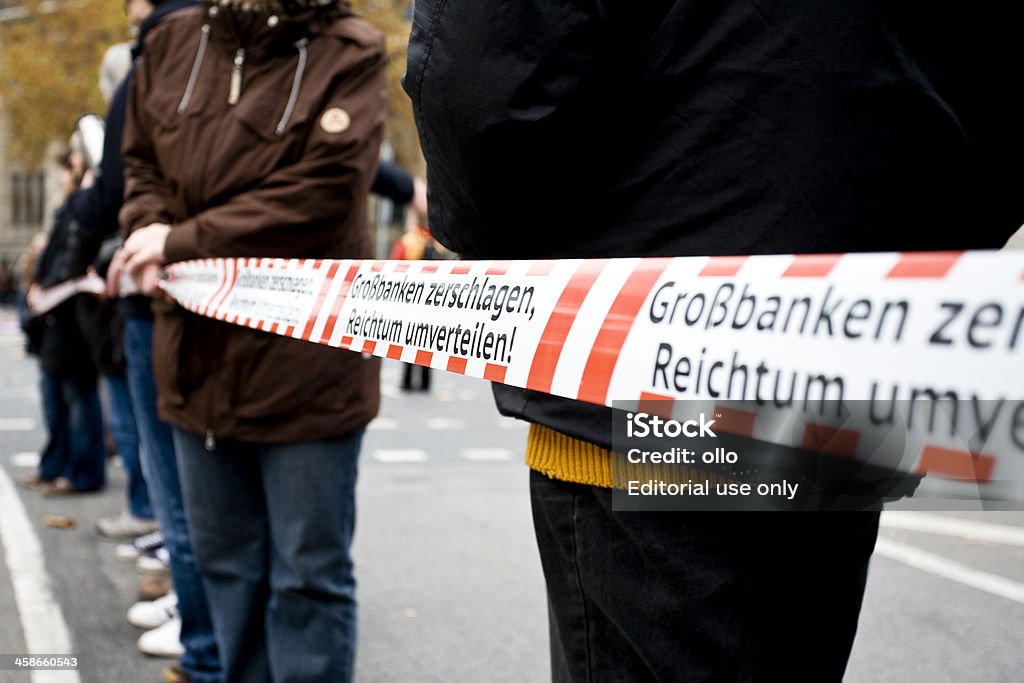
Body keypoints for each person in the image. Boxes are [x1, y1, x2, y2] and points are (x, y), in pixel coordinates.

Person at [405, 3, 1024, 681]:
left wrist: (501, 246)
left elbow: (486, 80)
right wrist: (909, 257)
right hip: (847, 378)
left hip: (645, 377)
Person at [115, 0, 386, 679]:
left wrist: (177, 241)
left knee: (307, 580)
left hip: (307, 368)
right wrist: (147, 226)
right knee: (226, 570)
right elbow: (141, 162)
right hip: (196, 359)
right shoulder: (174, 42)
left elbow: (324, 190)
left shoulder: (349, 50)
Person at [73, 0, 222, 679]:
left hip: (164, 300)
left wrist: (142, 233)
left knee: (182, 485)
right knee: (190, 489)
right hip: (182, 292)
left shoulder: (160, 54)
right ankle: (201, 628)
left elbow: (124, 182)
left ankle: (204, 638)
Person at [21, 148, 107, 497]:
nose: (61, 175)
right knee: (55, 395)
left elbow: (72, 259)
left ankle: (82, 473)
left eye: (67, 167)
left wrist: (49, 284)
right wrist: (39, 285)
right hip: (55, 315)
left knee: (78, 397)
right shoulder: (68, 208)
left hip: (74, 318)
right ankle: (55, 466)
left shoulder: (86, 207)